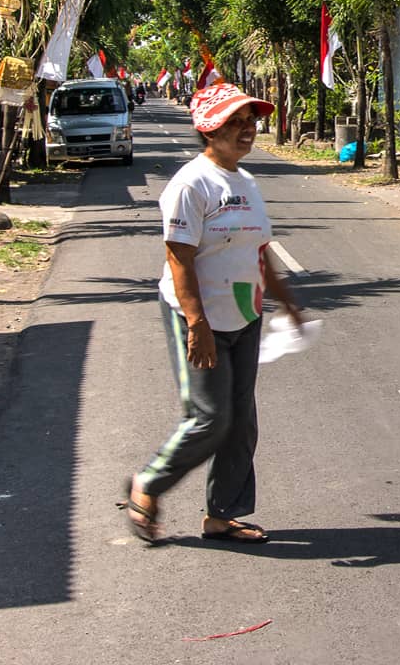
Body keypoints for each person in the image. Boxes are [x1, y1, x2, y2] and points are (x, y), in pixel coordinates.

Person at [124, 81, 303, 544]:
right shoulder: (191, 184)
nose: (246, 130)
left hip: (244, 312)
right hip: (197, 315)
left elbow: (260, 250)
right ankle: (148, 484)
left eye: (250, 122)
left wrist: (286, 303)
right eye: (234, 122)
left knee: (241, 419)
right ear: (209, 129)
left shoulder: (246, 181)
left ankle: (223, 514)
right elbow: (178, 257)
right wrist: (196, 324)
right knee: (209, 417)